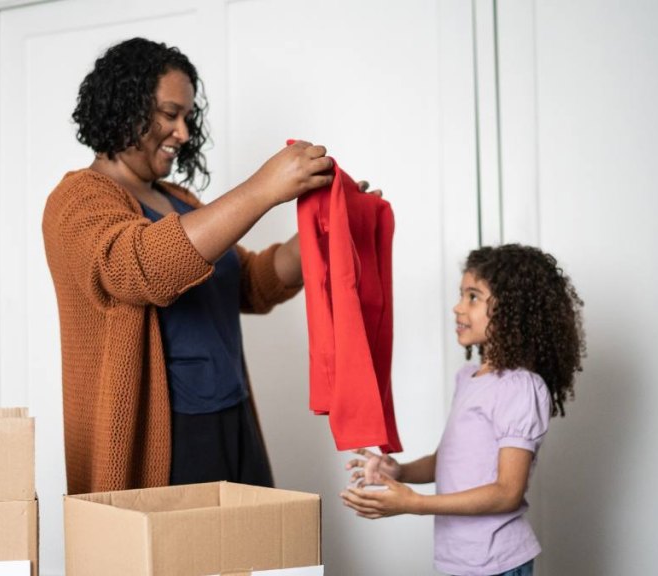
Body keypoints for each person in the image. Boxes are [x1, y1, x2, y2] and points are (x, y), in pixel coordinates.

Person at [43, 37, 374, 495]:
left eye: (187, 117)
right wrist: (262, 189)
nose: (182, 132)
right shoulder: (78, 200)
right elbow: (137, 267)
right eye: (169, 114)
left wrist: (323, 237)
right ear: (124, 105)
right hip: (169, 436)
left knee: (258, 562)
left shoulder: (178, 201)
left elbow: (251, 284)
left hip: (233, 416)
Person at [341, 244, 586, 576]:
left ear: (514, 310)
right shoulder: (468, 378)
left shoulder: (520, 388)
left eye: (473, 297)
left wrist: (416, 504)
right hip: (459, 561)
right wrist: (399, 472)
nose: (457, 307)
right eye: (461, 295)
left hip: (496, 563)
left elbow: (506, 493)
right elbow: (447, 461)